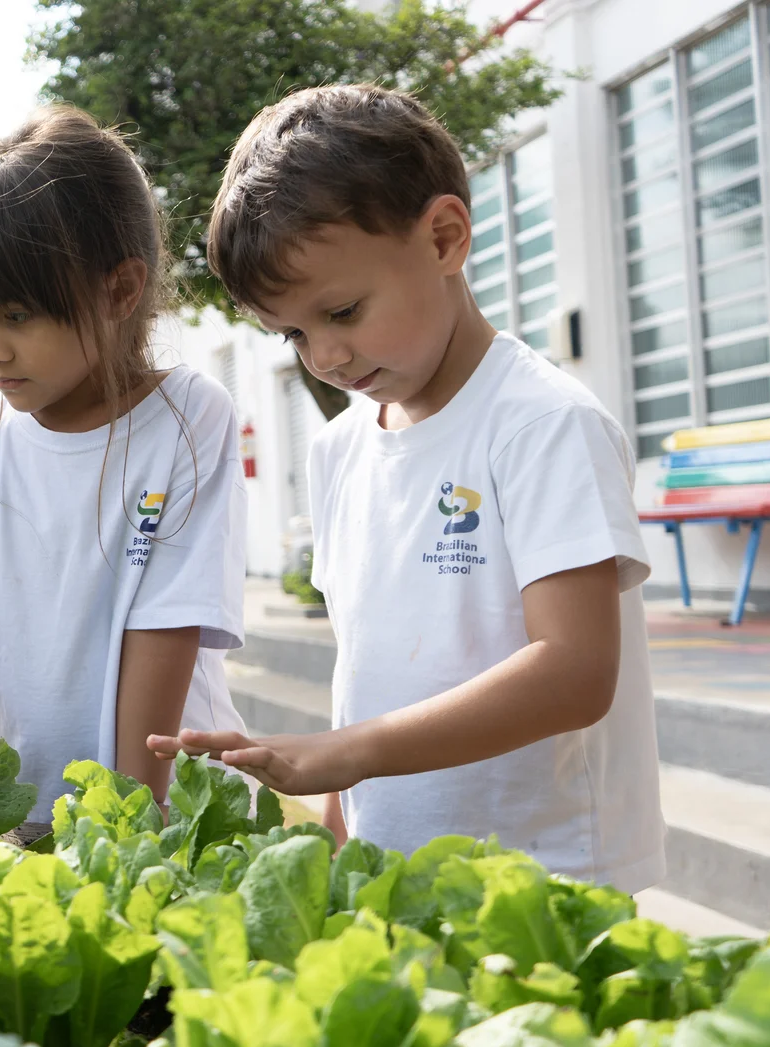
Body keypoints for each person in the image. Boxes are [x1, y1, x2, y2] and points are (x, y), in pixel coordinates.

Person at [164, 84, 665, 892]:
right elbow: (364, 673)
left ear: (444, 237)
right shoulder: (339, 452)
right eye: (293, 333)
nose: (323, 356)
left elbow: (575, 670)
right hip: (392, 873)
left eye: (344, 310)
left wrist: (344, 752)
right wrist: (339, 827)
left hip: (547, 885)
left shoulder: (542, 423)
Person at [0, 105, 249, 839]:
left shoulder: (189, 417)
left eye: (17, 314)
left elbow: (163, 633)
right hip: (32, 826)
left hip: (175, 813)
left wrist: (129, 827)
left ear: (119, 291)